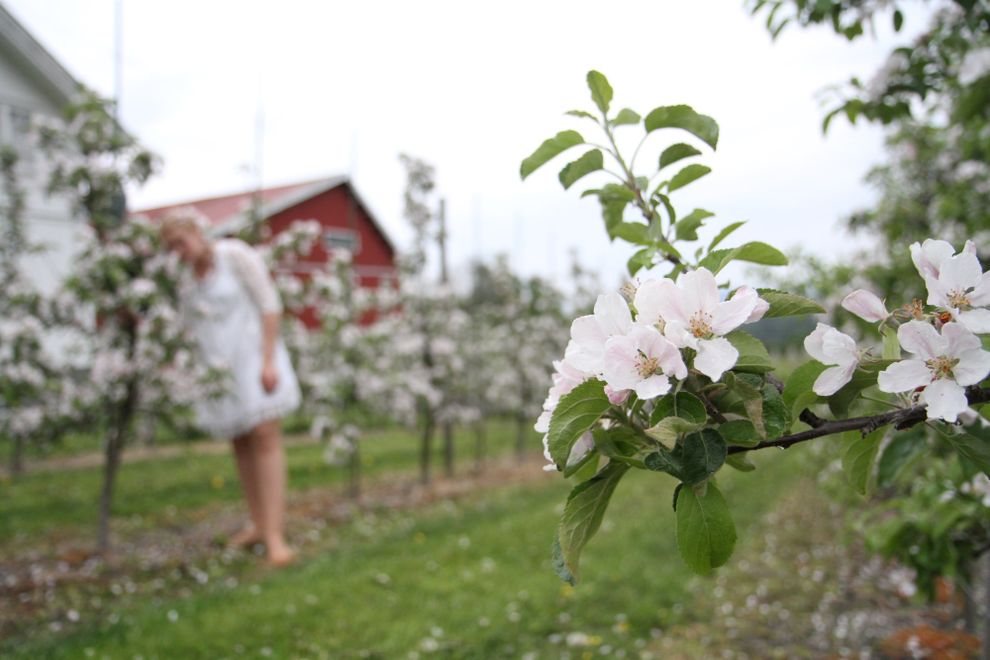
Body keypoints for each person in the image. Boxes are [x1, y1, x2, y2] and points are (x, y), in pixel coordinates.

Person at [159, 209, 300, 566]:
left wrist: (268, 360)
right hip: (219, 370)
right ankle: (258, 523)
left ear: (198, 232)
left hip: (254, 358)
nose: (179, 250)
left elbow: (270, 306)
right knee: (239, 441)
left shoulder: (235, 256)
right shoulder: (183, 279)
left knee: (265, 435)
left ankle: (275, 536)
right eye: (171, 246)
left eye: (181, 240)